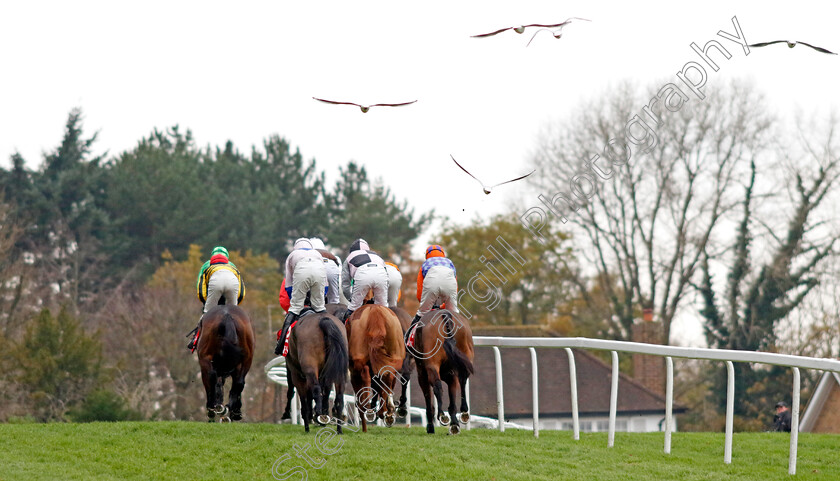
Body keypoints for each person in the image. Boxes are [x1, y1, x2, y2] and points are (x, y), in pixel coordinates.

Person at [275, 238, 328, 355]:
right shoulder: (317, 254)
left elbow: (288, 285)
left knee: (294, 309)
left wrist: (295, 301)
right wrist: (320, 298)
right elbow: (325, 284)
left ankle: (280, 344)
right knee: (320, 309)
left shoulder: (292, 255)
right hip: (319, 273)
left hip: (302, 272)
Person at [187, 246, 245, 351]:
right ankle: (243, 341)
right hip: (231, 291)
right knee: (236, 316)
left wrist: (206, 304)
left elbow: (200, 288)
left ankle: (195, 339)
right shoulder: (232, 266)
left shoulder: (206, 265)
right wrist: (236, 307)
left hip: (214, 292)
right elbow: (241, 291)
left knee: (206, 315)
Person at [410, 244, 459, 330]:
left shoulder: (425, 264)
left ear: (427, 255)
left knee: (421, 313)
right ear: (443, 254)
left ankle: (408, 338)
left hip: (431, 286)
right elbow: (455, 288)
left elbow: (420, 292)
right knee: (454, 314)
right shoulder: (449, 263)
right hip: (450, 286)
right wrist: (444, 306)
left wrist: (426, 306)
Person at [341, 238, 389, 321]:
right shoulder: (376, 255)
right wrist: (375, 299)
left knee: (353, 309)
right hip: (381, 274)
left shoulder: (349, 257)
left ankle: (345, 332)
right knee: (383, 309)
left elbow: (345, 285)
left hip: (362, 274)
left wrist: (351, 300)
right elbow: (386, 279)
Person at [311, 237, 342, 305]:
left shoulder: (310, 254)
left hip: (316, 266)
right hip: (332, 266)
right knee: (334, 300)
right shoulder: (331, 255)